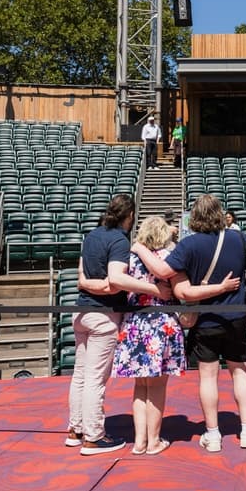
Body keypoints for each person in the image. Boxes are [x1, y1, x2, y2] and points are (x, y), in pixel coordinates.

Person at [132, 193, 246, 453]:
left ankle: (213, 435)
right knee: (240, 371)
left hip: (205, 318)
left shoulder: (188, 245)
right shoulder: (237, 236)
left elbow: (169, 279)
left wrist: (139, 248)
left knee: (207, 376)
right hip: (237, 315)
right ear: (219, 213)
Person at [67, 193, 170, 456]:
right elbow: (116, 278)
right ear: (130, 216)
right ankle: (93, 437)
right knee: (94, 379)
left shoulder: (91, 236)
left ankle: (75, 430)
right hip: (102, 316)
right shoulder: (119, 240)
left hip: (80, 312)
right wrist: (154, 290)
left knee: (80, 375)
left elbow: (80, 276)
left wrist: (92, 285)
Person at [114, 216, 185, 456]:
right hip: (159, 323)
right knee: (156, 385)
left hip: (134, 323)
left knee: (140, 385)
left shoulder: (130, 258)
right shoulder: (167, 258)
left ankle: (139, 441)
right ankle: (153, 441)